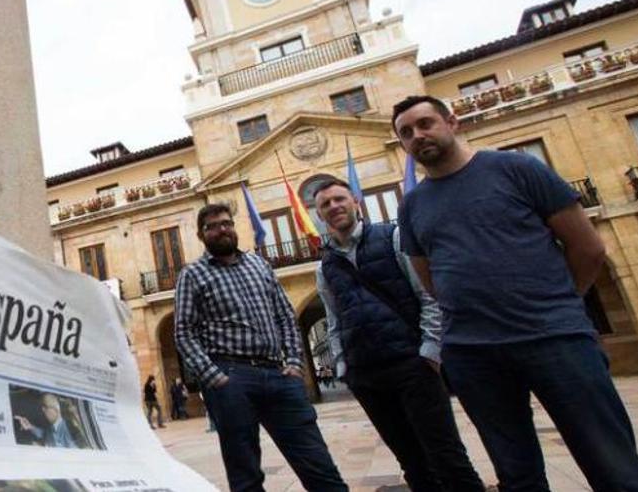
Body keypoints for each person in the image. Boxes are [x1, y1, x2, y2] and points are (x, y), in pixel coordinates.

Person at [393, 95, 638, 491]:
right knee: (516, 474)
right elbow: (429, 277)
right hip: (473, 353)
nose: (418, 136)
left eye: (426, 123)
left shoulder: (517, 168)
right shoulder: (412, 205)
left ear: (453, 121)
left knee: (612, 463)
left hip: (555, 339)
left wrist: (561, 303)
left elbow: (588, 248)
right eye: (406, 133)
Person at [314, 178, 484, 492]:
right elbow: (333, 319)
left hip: (412, 365)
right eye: (325, 204)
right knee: (411, 462)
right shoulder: (325, 266)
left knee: (447, 457)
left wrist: (431, 350)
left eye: (339, 199)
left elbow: (428, 295)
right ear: (320, 215)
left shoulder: (392, 237)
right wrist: (343, 367)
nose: (334, 207)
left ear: (356, 202)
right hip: (366, 375)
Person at [175, 203, 347, 492]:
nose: (221, 229)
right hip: (231, 378)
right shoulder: (192, 275)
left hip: (279, 374)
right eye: (213, 226)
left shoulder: (259, 265)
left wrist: (293, 363)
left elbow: (285, 317)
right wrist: (214, 378)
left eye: (226, 223)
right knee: (246, 475)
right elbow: (184, 332)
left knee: (317, 463)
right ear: (201, 234)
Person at [14, 393, 79, 448]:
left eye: (45, 408)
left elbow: (71, 454)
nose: (43, 411)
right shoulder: (53, 426)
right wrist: (31, 427)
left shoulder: (68, 430)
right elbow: (45, 434)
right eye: (42, 408)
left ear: (55, 409)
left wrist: (43, 447)